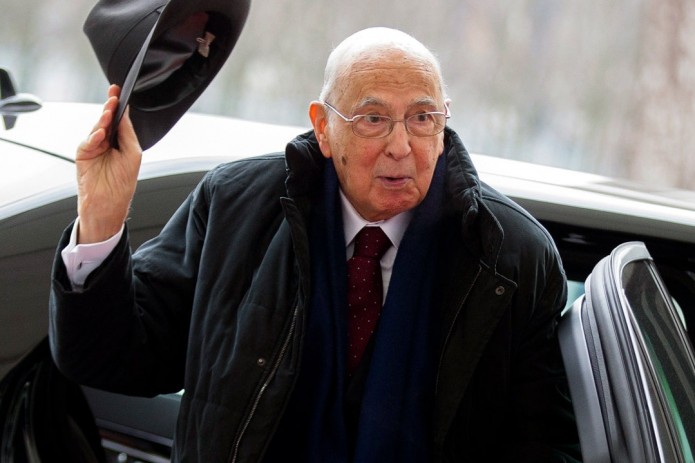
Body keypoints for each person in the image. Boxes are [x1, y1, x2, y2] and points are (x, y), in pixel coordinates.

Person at [50, 27, 581, 462]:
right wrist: (101, 218)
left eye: (422, 118)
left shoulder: (511, 255)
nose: (401, 146)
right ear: (323, 128)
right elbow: (109, 358)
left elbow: (545, 444)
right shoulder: (235, 207)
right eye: (373, 119)